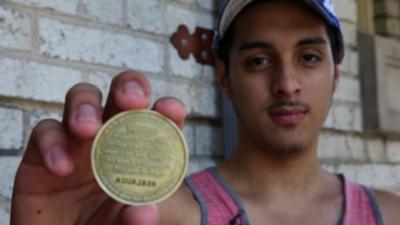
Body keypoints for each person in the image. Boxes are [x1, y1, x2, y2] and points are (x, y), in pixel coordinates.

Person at [10, 0, 400, 224]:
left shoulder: (389, 214)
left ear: (336, 75)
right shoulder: (155, 215)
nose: (287, 83)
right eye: (259, 61)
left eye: (309, 57)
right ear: (224, 78)